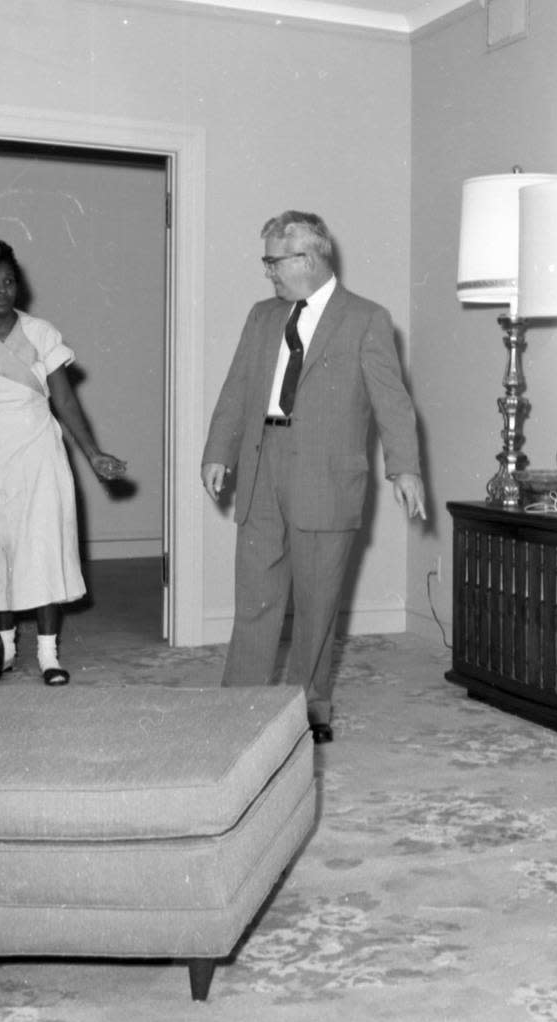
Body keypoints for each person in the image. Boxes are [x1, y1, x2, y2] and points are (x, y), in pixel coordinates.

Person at [202, 210, 425, 744]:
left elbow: (391, 402)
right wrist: (219, 451)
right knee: (254, 597)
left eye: (273, 261)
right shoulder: (261, 317)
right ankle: (240, 707)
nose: (267, 273)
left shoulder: (366, 319)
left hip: (326, 477)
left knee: (317, 601)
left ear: (306, 259)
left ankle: (310, 706)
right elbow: (237, 389)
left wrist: (406, 468)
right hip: (262, 466)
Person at [0, 237, 127, 684]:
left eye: (8, 280)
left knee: (43, 547)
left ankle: (47, 653)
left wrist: (94, 454)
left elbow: (63, 398)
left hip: (40, 450)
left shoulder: (41, 332)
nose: (2, 289)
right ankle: (1, 648)